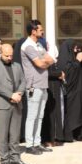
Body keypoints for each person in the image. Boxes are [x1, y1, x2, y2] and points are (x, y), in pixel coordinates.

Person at [0, 43, 30, 164]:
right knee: (2, 134)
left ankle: (15, 158)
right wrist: (11, 95)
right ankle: (4, 159)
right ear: (0, 53)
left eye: (11, 55)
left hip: (17, 102)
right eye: (7, 56)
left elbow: (23, 81)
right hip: (2, 104)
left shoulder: (17, 66)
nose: (10, 58)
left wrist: (19, 93)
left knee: (15, 134)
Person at [20, 20, 55, 154]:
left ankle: (37, 142)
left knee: (40, 116)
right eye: (40, 30)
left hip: (43, 84)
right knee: (32, 116)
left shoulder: (39, 44)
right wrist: (44, 61)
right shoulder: (28, 46)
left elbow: (50, 59)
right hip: (33, 85)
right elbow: (40, 64)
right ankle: (29, 145)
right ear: (33, 31)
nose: (43, 31)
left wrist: (44, 61)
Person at [58, 41, 82, 143]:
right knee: (72, 113)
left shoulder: (78, 60)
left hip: (81, 91)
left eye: (79, 49)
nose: (77, 51)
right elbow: (68, 74)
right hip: (71, 92)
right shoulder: (65, 61)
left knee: (81, 112)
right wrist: (77, 61)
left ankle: (81, 134)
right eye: (75, 49)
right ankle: (69, 135)